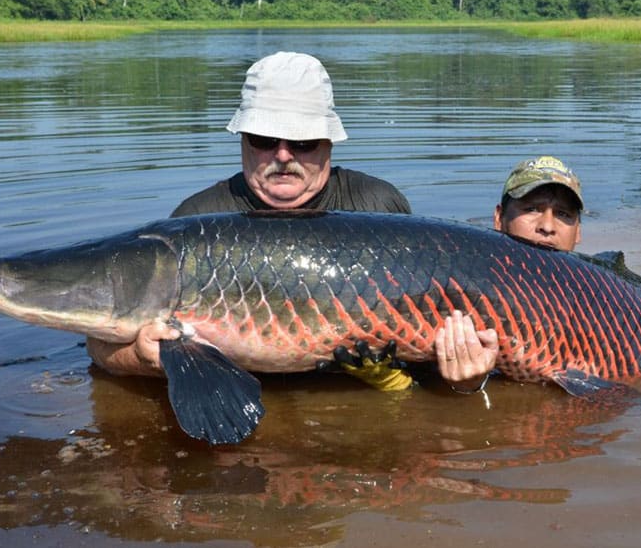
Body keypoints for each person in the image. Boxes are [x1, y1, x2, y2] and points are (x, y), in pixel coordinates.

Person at [86, 51, 412, 378]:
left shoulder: (377, 206)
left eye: (304, 141)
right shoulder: (196, 223)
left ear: (329, 141)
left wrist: (464, 379)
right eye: (264, 139)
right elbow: (99, 348)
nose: (283, 155)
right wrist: (140, 356)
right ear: (243, 139)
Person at [435, 155, 584, 394]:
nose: (547, 226)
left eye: (563, 214)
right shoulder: (464, 288)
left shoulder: (596, 299)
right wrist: (467, 385)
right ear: (499, 218)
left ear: (578, 232)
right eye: (532, 209)